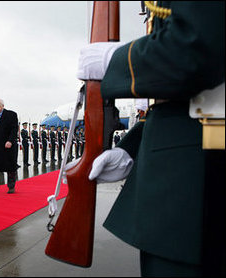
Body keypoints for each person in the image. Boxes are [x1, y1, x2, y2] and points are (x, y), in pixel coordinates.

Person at [76, 1, 225, 276]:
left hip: (194, 185)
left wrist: (117, 61)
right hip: (185, 170)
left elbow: (198, 45)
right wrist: (132, 148)